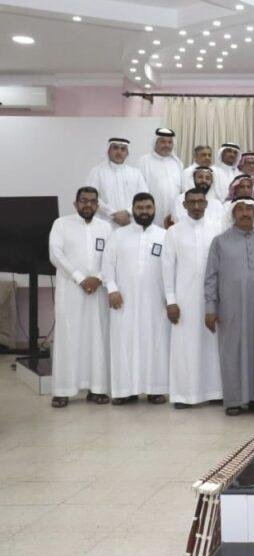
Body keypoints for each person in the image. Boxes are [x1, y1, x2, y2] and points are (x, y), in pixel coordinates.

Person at [204, 195, 254, 415]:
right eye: (240, 209)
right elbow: (211, 277)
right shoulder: (220, 241)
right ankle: (234, 400)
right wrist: (210, 308)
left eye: (249, 209)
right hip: (230, 307)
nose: (245, 213)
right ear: (233, 213)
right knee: (232, 351)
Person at [48, 186, 113, 408]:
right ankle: (62, 390)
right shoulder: (61, 224)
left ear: (97, 205)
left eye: (92, 201)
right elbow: (56, 254)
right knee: (68, 338)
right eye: (83, 200)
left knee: (97, 338)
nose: (88, 204)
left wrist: (98, 278)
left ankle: (97, 389)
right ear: (75, 204)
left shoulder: (105, 227)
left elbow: (111, 258)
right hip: (71, 290)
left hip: (97, 291)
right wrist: (80, 278)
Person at [102, 192, 169, 405]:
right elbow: (107, 264)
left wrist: (169, 298)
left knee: (155, 343)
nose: (144, 212)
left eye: (148, 207)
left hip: (155, 300)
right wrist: (112, 289)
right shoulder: (118, 235)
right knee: (124, 342)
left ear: (154, 209)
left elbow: (171, 269)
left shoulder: (165, 236)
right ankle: (124, 391)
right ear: (132, 209)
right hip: (123, 300)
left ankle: (155, 390)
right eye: (140, 208)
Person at [162, 188, 224, 408]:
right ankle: (184, 395)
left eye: (200, 202)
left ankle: (216, 392)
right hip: (184, 299)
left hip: (212, 298)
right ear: (184, 205)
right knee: (184, 346)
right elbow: (167, 268)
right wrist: (171, 301)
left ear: (206, 204)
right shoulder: (173, 232)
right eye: (192, 202)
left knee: (212, 344)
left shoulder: (217, 229)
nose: (197, 206)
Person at [86, 137, 149, 227]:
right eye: (115, 148)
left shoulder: (136, 173)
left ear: (127, 153)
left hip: (130, 223)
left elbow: (144, 197)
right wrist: (111, 214)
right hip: (104, 223)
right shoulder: (96, 172)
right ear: (108, 151)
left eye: (123, 149)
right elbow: (91, 197)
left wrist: (128, 212)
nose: (119, 152)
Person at [138, 128, 182, 228]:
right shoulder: (144, 162)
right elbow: (140, 189)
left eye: (170, 142)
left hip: (174, 213)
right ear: (155, 143)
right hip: (153, 212)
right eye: (163, 141)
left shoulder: (177, 163)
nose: (167, 145)